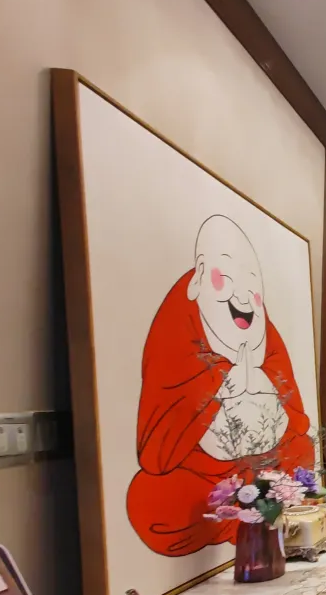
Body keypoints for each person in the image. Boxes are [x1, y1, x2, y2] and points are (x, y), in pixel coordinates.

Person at [126, 215, 315, 556]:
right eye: (225, 278)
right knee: (151, 500)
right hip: (203, 470)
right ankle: (246, 516)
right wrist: (222, 382)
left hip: (265, 461)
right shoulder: (180, 315)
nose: (242, 295)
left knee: (303, 452)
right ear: (200, 276)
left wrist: (260, 381)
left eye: (252, 286)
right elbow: (158, 443)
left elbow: (296, 415)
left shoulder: (263, 327)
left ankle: (256, 512)